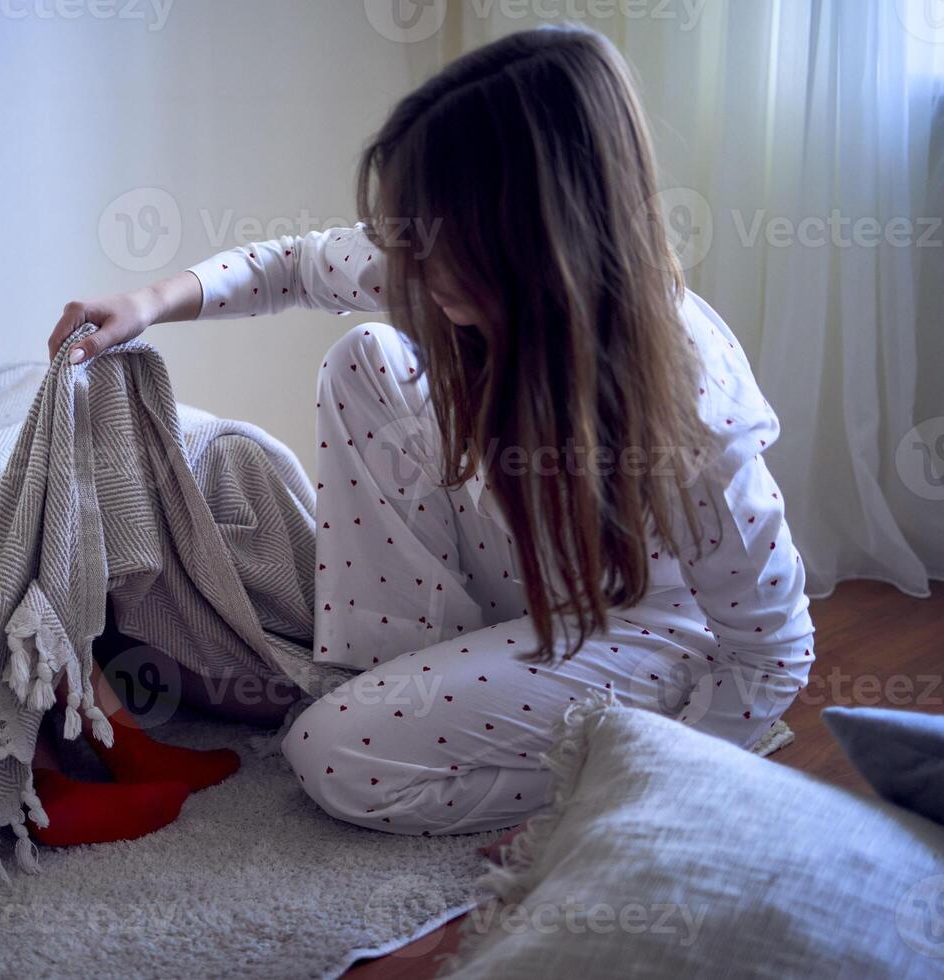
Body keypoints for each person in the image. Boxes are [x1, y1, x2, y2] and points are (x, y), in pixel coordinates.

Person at [46, 24, 814, 837]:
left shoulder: (685, 397)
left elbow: (772, 650)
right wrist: (149, 304)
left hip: (643, 634)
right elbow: (297, 265)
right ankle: (393, 679)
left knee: (331, 759)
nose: (413, 266)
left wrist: (644, 800)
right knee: (366, 355)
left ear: (539, 238)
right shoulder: (439, 271)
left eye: (442, 239)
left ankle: (604, 766)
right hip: (518, 595)